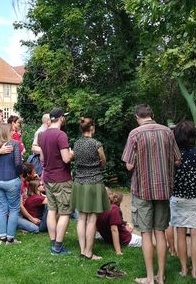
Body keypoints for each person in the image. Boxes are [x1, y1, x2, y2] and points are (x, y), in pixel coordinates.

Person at [122, 104, 181, 284]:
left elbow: (129, 165)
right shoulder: (167, 132)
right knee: (160, 232)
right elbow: (178, 160)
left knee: (146, 233)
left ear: (136, 117)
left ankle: (149, 278)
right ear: (152, 115)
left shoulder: (135, 134)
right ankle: (161, 278)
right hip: (164, 189)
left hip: (142, 190)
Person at [171, 121, 196, 278]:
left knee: (180, 233)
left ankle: (183, 269)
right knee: (195, 234)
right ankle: (195, 271)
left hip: (178, 197)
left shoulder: (173, 153)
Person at [70, 117, 109, 260]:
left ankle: (82, 250)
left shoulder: (77, 144)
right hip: (94, 183)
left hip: (79, 183)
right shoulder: (97, 144)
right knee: (92, 219)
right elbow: (103, 162)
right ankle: (88, 252)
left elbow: (72, 158)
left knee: (81, 218)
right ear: (91, 128)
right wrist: (100, 163)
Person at [39, 107, 74, 255]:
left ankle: (53, 242)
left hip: (47, 178)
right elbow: (66, 158)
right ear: (61, 118)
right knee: (65, 212)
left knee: (52, 210)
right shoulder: (61, 135)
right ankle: (58, 247)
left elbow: (41, 158)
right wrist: (72, 153)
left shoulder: (42, 135)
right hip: (61, 179)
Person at [0, 123, 23, 245]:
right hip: (11, 179)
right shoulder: (14, 144)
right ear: (7, 132)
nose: (13, 133)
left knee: (2, 209)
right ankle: (10, 238)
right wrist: (20, 174)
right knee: (14, 209)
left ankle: (2, 238)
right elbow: (18, 163)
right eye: (11, 131)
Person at [96, 190, 142, 255]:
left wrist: (125, 224)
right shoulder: (114, 209)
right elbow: (114, 230)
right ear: (109, 196)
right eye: (111, 193)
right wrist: (118, 251)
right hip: (124, 239)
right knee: (147, 241)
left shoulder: (97, 209)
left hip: (107, 238)